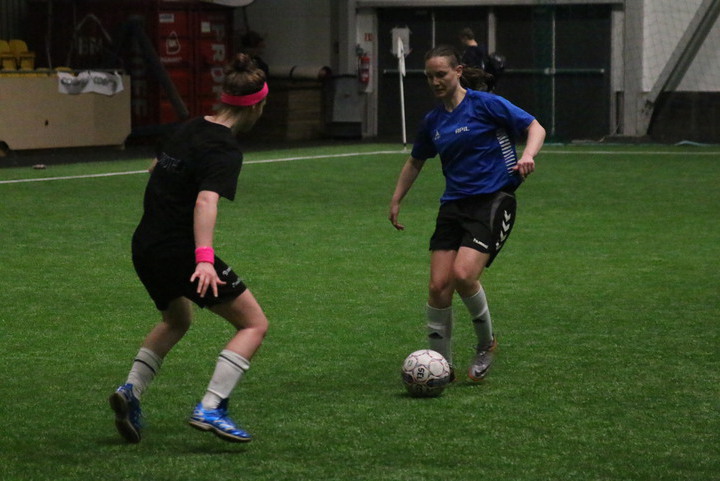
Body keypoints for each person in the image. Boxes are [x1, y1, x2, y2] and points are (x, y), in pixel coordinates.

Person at [109, 53, 270, 444]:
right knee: (254, 324)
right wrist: (204, 260)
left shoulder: (188, 128)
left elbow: (154, 169)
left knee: (176, 320)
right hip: (179, 251)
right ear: (257, 106)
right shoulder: (225, 149)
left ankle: (130, 391)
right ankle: (212, 407)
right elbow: (205, 201)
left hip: (145, 245)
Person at [388, 45, 545, 383]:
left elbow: (535, 127)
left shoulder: (486, 104)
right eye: (429, 77)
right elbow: (416, 161)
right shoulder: (433, 121)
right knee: (438, 287)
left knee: (463, 275)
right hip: (453, 205)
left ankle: (486, 344)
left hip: (492, 200)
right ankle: (442, 366)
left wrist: (528, 155)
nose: (435, 82)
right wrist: (397, 198)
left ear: (458, 71)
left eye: (441, 74)